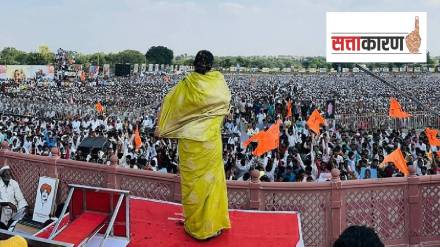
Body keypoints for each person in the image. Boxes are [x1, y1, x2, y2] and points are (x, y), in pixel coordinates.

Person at [156, 50, 231, 240]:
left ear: (194, 64)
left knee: (193, 185)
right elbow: (225, 103)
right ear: (211, 65)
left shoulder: (187, 84)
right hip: (210, 141)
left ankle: (195, 226)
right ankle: (212, 226)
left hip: (189, 142)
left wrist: (162, 128)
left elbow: (170, 103)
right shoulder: (218, 82)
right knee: (211, 182)